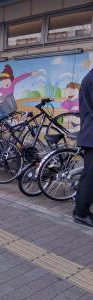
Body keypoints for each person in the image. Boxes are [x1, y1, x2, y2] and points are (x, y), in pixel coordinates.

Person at [73, 68, 93, 227]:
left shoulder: (89, 77)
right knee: (90, 177)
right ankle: (81, 213)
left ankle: (80, 211)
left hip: (89, 134)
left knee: (88, 175)